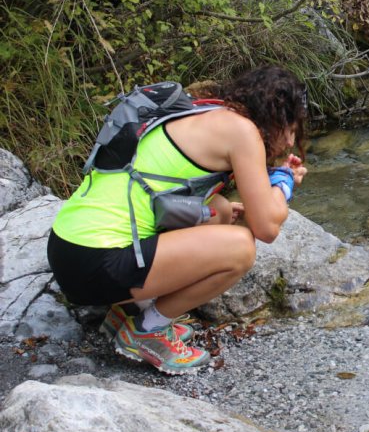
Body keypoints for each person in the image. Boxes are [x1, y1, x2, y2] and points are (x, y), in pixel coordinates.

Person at [47, 66, 308, 375]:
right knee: (240, 248)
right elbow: (266, 228)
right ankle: (147, 330)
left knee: (220, 210)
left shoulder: (203, 110)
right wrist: (283, 182)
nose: (291, 141)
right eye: (291, 129)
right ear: (276, 119)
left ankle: (125, 309)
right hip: (97, 263)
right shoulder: (243, 133)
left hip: (67, 250)